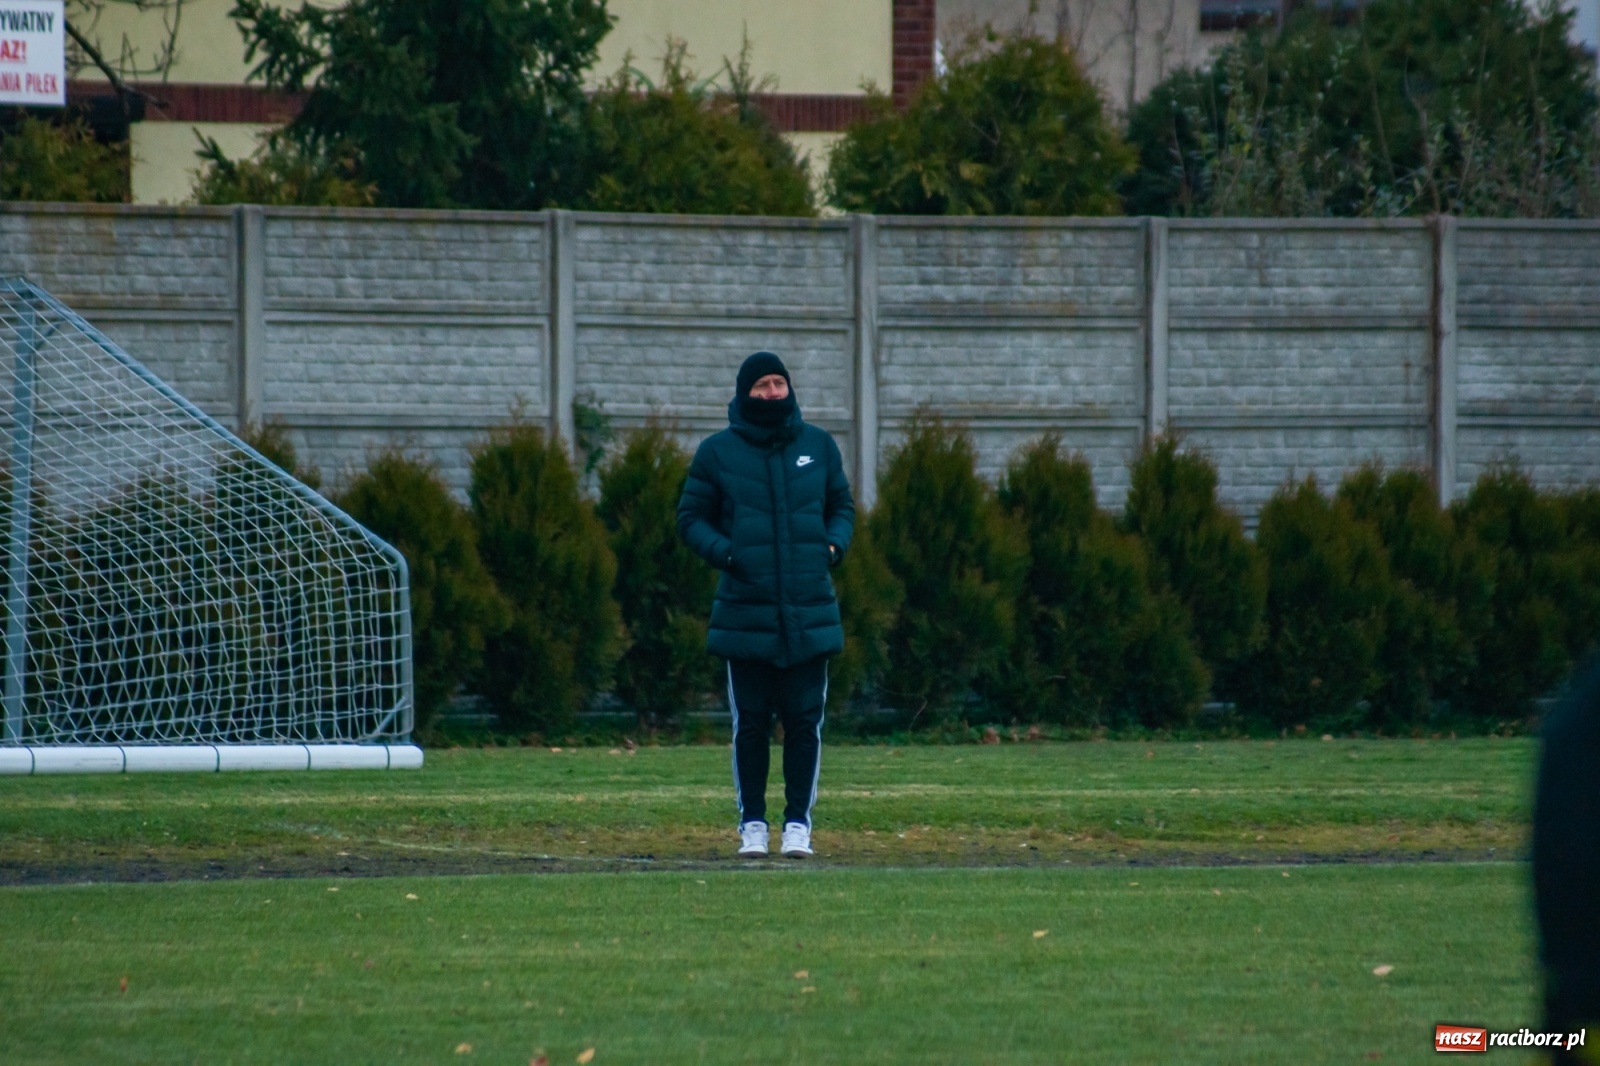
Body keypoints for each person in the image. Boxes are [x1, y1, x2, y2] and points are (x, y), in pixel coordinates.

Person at [677, 351, 854, 859]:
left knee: (805, 724)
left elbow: (841, 506)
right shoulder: (716, 453)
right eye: (763, 385)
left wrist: (832, 547)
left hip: (809, 609)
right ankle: (752, 825)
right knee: (749, 725)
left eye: (780, 382)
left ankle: (798, 825)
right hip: (745, 611)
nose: (773, 392)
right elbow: (691, 518)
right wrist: (728, 553)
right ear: (745, 393)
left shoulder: (819, 446)